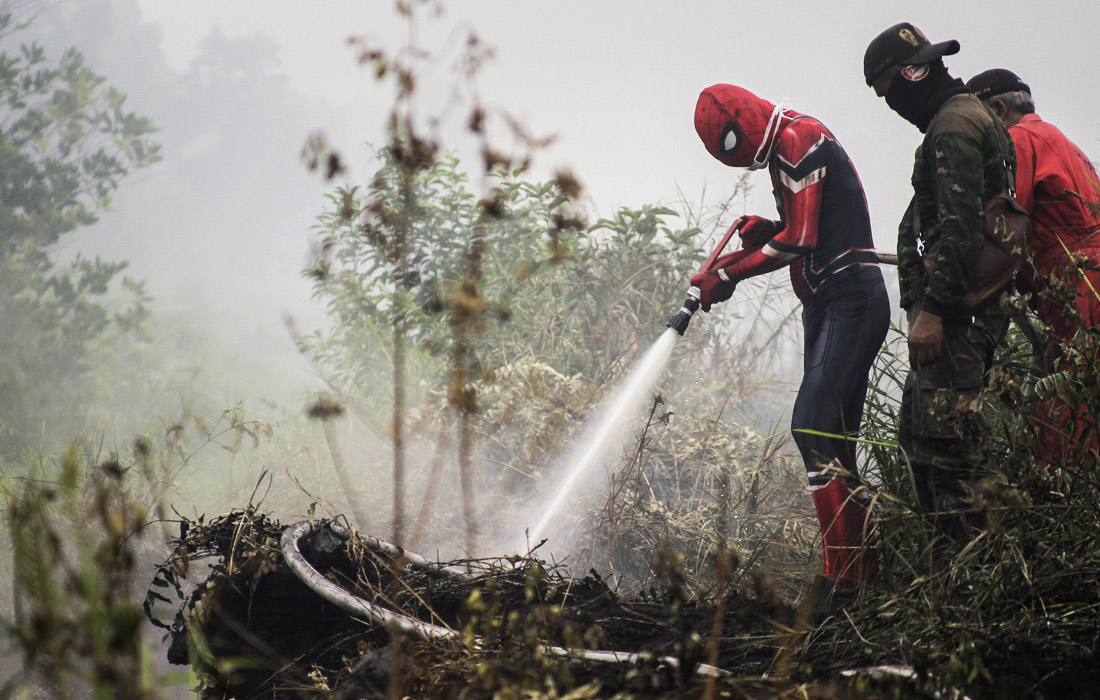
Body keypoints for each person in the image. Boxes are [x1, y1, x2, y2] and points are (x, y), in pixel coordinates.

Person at [692, 83, 890, 609]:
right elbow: (810, 227)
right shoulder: (783, 146)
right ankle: (864, 580)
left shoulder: (800, 138)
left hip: (851, 299)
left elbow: (801, 240)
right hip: (828, 304)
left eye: (734, 145)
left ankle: (841, 582)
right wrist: (768, 229)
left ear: (745, 122)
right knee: (835, 443)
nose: (740, 158)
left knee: (813, 426)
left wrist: (729, 273)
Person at [863, 24, 1016, 538]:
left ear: (910, 75)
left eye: (887, 92)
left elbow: (960, 230)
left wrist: (932, 313)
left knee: (949, 458)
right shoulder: (972, 115)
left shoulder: (952, 126)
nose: (890, 104)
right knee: (921, 441)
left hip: (955, 319)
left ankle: (977, 570)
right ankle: (952, 568)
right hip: (963, 314)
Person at [966, 69, 1100, 464]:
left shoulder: (1019, 140)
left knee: (1068, 404)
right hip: (1082, 275)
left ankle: (1065, 488)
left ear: (998, 110)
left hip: (1079, 281)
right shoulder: (1059, 139)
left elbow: (1007, 221)